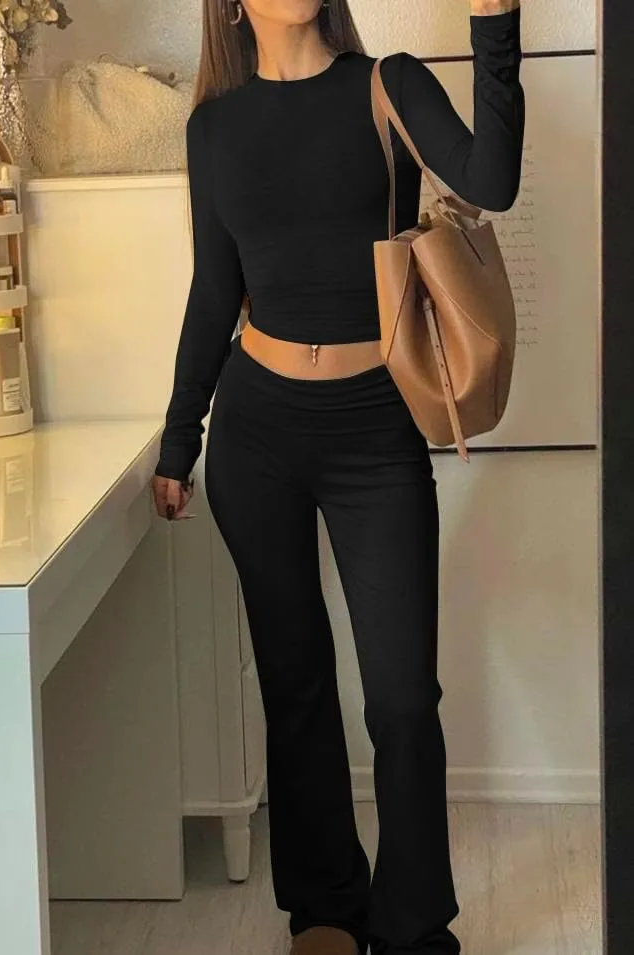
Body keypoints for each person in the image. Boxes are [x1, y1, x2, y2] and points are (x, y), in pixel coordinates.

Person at [152, 1, 524, 952]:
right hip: (255, 434)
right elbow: (213, 289)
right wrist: (180, 438)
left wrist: (496, 26)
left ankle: (414, 927)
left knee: (402, 698)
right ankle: (324, 907)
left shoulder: (387, 85)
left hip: (374, 431)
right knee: (297, 684)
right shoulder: (214, 129)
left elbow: (493, 181)